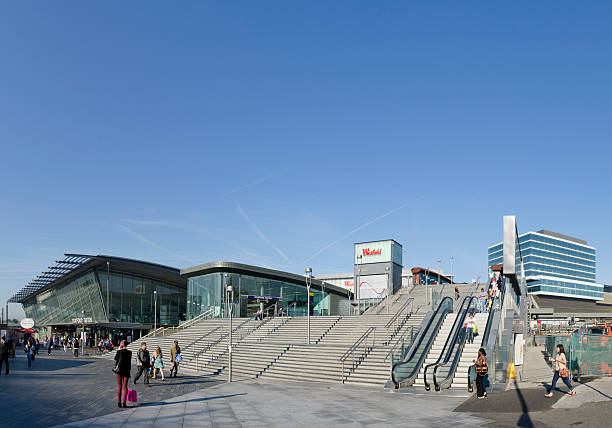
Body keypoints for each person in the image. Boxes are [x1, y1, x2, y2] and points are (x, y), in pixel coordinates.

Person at [114, 340, 132, 408]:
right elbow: (129, 363)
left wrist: (118, 350)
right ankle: (124, 403)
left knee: (119, 387)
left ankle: (119, 402)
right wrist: (129, 372)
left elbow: (115, 358)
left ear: (122, 345)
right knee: (125, 387)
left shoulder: (119, 351)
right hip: (126, 371)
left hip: (119, 371)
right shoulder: (130, 352)